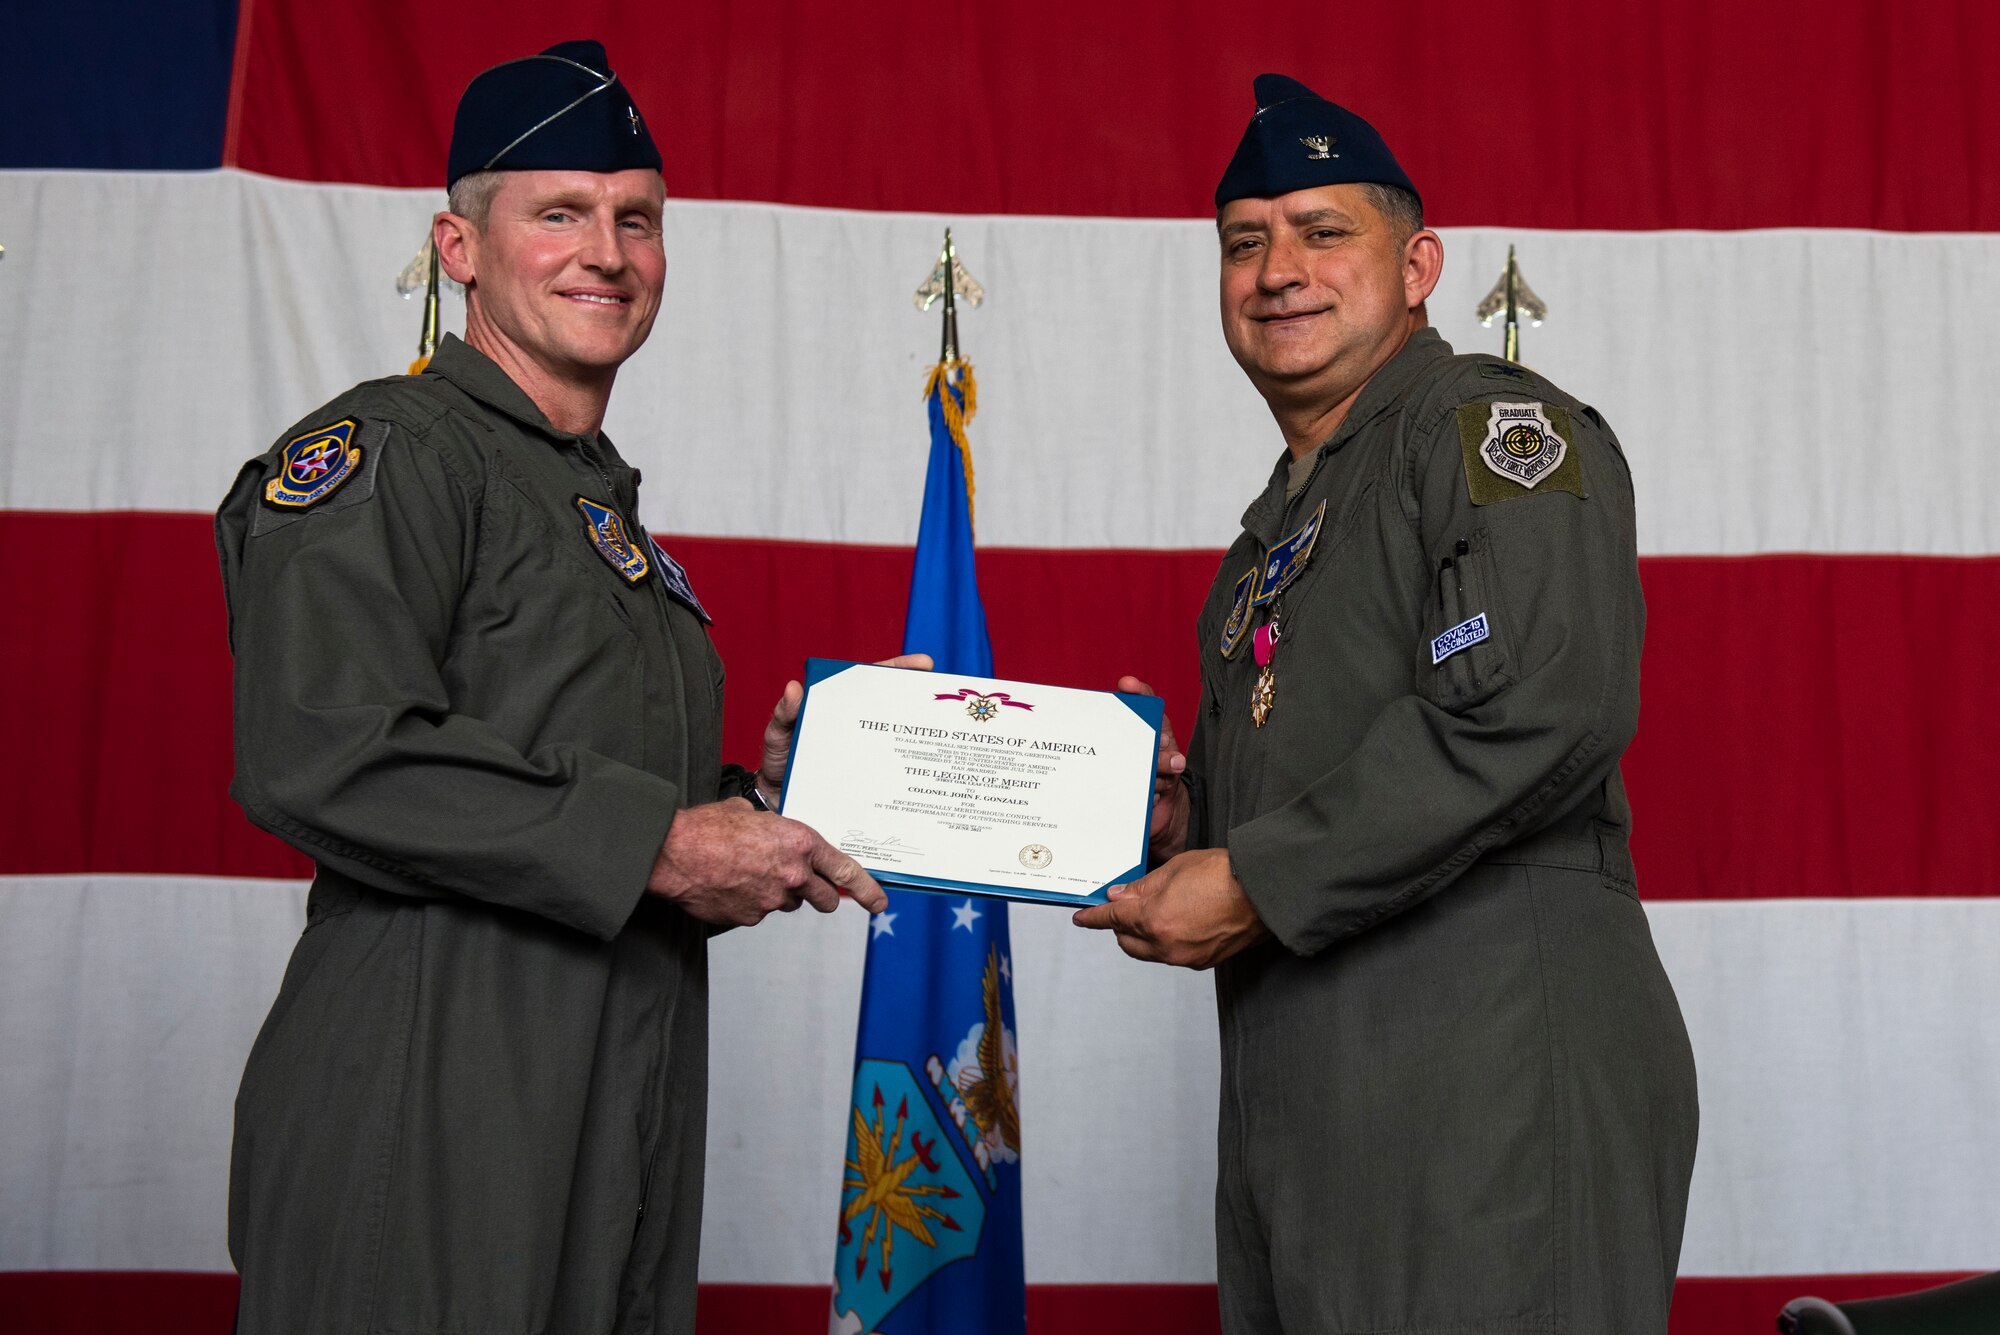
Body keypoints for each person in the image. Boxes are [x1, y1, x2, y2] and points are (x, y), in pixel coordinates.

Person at [215, 40, 902, 1335]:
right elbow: (323, 746)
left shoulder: (592, 500)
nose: (607, 249)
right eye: (559, 212)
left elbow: (575, 772)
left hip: (622, 1072)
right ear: (459, 245)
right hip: (435, 1071)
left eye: (634, 217)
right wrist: (661, 838)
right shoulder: (387, 453)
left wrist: (769, 791)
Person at [1075, 75, 1699, 1334]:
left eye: (1321, 231)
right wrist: (1177, 822)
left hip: (1482, 1082)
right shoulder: (1275, 532)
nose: (1275, 270)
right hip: (1308, 1097)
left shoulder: (1488, 429)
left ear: (1415, 265)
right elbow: (1320, 775)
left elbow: (1541, 706)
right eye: (1243, 242)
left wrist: (1247, 880)